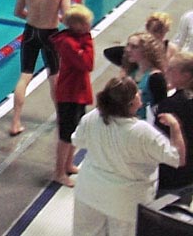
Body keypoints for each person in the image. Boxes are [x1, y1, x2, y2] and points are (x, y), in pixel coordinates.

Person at [72, 76, 185, 236]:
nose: (140, 92)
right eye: (136, 93)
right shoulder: (143, 132)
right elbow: (177, 158)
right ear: (131, 103)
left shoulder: (92, 117)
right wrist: (175, 126)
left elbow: (78, 140)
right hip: (126, 203)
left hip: (89, 194)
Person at [11, 0, 71, 136]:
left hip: (30, 32)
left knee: (24, 76)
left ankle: (15, 122)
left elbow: (18, 12)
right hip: (50, 35)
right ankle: (62, 120)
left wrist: (34, 15)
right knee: (54, 77)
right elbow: (67, 17)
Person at [51, 3, 94, 187]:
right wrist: (88, 40)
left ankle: (68, 164)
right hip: (69, 94)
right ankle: (59, 172)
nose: (89, 27)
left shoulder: (77, 40)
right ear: (76, 25)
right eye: (86, 24)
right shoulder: (69, 43)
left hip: (78, 92)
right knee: (65, 136)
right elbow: (88, 63)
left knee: (75, 132)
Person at [154, 51, 193, 197]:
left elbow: (159, 140)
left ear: (186, 75)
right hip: (189, 175)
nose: (166, 71)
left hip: (169, 175)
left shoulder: (171, 105)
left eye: (171, 69)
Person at [121, 31, 167, 121]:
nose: (128, 50)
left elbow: (161, 108)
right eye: (128, 45)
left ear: (147, 51)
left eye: (134, 47)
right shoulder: (131, 73)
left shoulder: (155, 77)